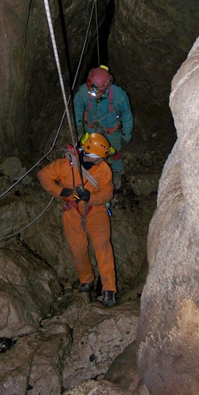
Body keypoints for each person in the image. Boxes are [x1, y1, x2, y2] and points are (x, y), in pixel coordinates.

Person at [37, 133, 117, 307]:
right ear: (90, 156)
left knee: (103, 246)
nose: (101, 161)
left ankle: (109, 289)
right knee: (78, 250)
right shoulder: (65, 165)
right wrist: (61, 192)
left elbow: (108, 192)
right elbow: (44, 176)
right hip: (72, 211)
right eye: (99, 159)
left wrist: (91, 197)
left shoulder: (103, 169)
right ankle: (86, 279)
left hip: (96, 210)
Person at [73, 65, 133, 190]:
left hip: (111, 131)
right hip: (91, 129)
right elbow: (77, 106)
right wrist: (79, 124)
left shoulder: (119, 95)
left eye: (95, 91)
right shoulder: (84, 91)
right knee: (90, 152)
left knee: (115, 152)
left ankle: (117, 172)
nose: (91, 93)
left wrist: (126, 134)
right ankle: (92, 173)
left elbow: (127, 115)